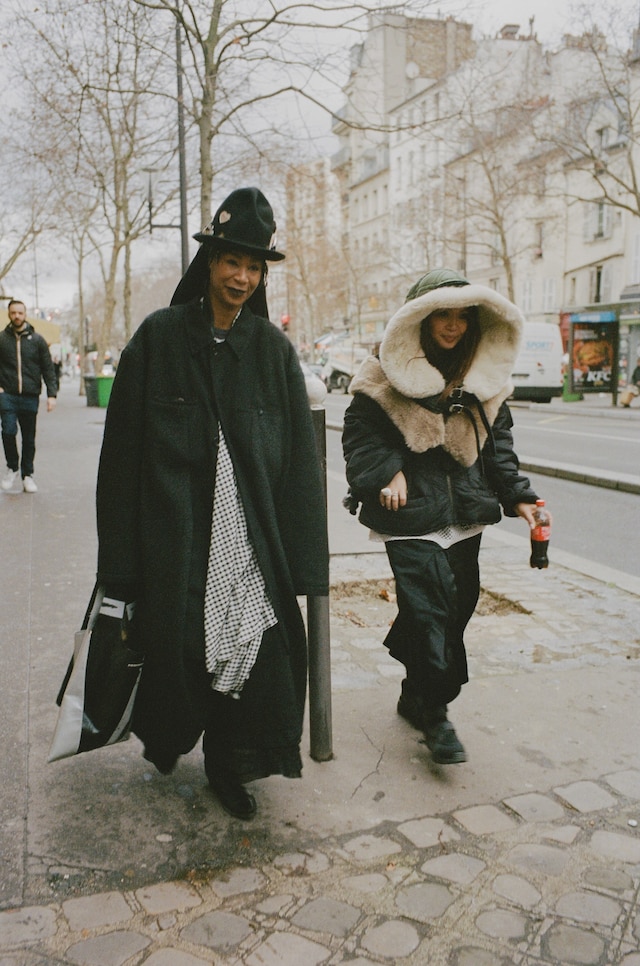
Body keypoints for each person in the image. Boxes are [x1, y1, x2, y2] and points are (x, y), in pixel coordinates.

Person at [94, 187, 329, 820]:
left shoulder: (274, 354)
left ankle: (233, 765)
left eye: (255, 267)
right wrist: (117, 565)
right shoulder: (158, 339)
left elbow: (302, 474)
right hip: (175, 543)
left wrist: (308, 571)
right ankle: (180, 743)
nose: (243, 277)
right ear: (210, 261)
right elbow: (119, 462)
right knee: (184, 652)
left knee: (254, 654)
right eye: (233, 261)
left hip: (252, 545)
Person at [342, 268, 542, 766]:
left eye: (461, 317)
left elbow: (500, 449)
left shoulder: (485, 380)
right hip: (408, 517)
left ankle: (415, 692)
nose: (452, 326)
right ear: (420, 319)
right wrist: (388, 471)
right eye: (441, 316)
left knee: (454, 611)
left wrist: (520, 498)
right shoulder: (380, 375)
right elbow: (360, 438)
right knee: (430, 611)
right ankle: (436, 713)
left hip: (465, 517)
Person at [0, 299, 57, 493]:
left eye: (20, 313)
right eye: (13, 312)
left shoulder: (38, 340)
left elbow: (48, 368)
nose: (17, 316)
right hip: (7, 394)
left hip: (30, 396)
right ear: (9, 314)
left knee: (29, 437)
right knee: (7, 431)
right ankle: (12, 467)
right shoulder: (1, 339)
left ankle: (27, 475)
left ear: (25, 315)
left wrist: (52, 394)